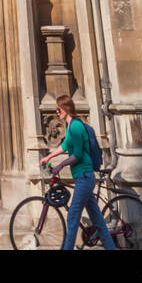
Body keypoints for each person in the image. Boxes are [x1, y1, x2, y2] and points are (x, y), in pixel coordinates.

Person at [41, 94, 116, 251]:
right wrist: (49, 156)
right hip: (82, 176)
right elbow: (65, 146)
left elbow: (78, 155)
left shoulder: (75, 126)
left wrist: (60, 166)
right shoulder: (70, 127)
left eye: (58, 109)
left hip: (84, 176)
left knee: (73, 216)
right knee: (98, 220)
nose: (56, 112)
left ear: (66, 108)